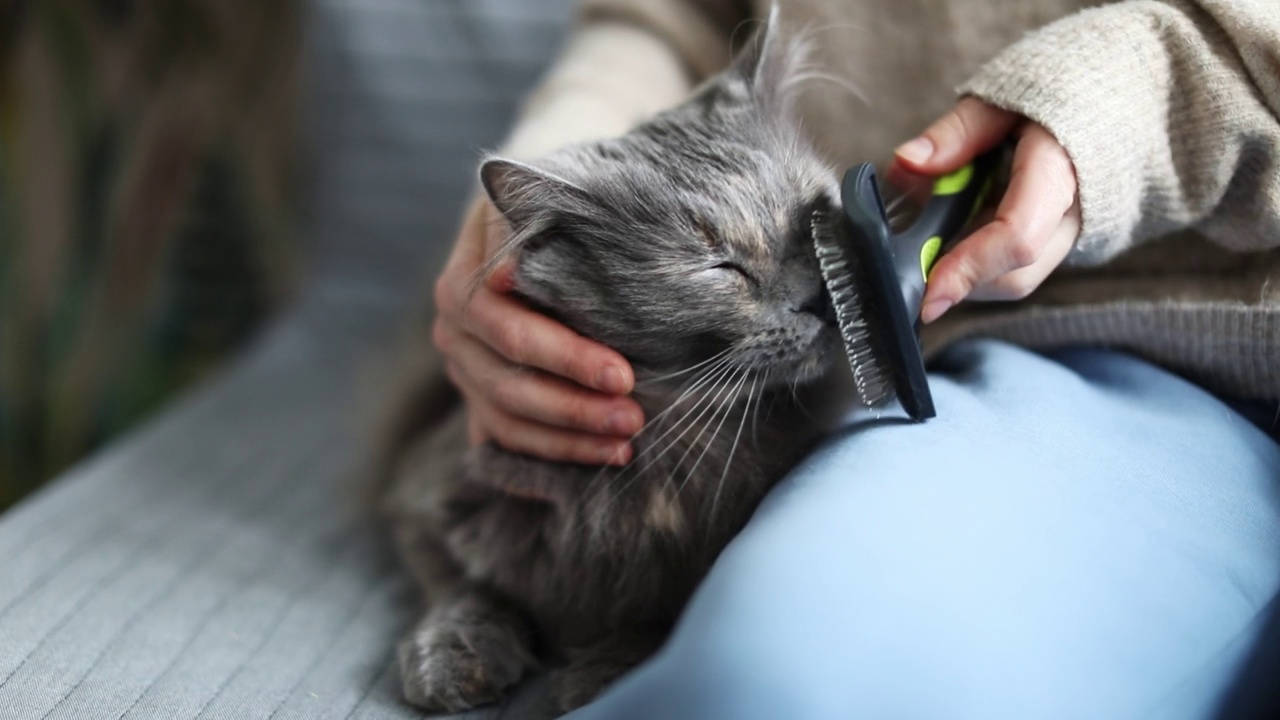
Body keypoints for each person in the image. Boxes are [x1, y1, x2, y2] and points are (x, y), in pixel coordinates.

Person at [430, 0, 1280, 717]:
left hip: (1187, 342)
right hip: (893, 338)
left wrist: (1129, 97)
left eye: (809, 239)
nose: (803, 298)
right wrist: (571, 169)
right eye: (727, 270)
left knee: (798, 676)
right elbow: (677, 17)